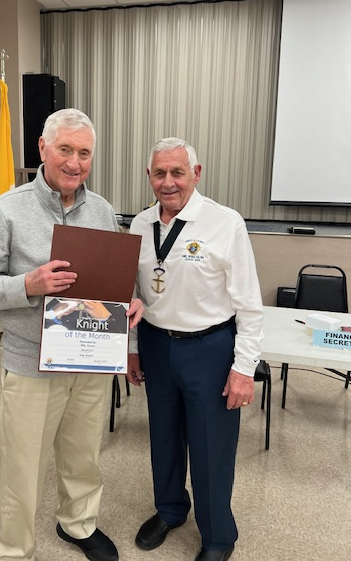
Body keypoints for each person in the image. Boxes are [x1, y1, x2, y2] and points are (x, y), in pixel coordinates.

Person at [0, 108, 143, 561]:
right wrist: (28, 285)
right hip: (30, 364)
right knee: (24, 464)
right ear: (43, 148)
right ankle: (14, 548)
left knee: (84, 453)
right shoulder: (7, 210)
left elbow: (113, 279)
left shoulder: (102, 210)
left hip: (90, 359)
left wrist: (129, 302)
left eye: (84, 153)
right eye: (65, 149)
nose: (74, 162)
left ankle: (78, 524)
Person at [126, 138, 263, 561]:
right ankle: (170, 510)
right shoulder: (139, 225)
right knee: (163, 437)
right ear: (150, 177)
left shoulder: (225, 222)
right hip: (155, 344)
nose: (168, 183)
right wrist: (132, 348)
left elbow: (249, 303)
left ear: (196, 174)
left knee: (210, 447)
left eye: (177, 172)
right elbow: (131, 292)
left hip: (210, 349)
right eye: (159, 174)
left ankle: (218, 536)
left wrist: (244, 367)